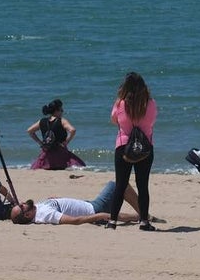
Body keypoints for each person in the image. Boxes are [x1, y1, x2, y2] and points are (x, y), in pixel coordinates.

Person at [105, 72, 157, 231]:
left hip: (123, 146)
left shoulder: (120, 104)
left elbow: (114, 120)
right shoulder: (151, 103)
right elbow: (152, 121)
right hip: (145, 148)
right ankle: (144, 222)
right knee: (143, 186)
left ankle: (112, 221)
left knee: (121, 185)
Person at [9, 181, 143, 225]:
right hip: (93, 209)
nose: (21, 202)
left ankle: (139, 216)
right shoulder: (46, 214)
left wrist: (56, 200)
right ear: (27, 215)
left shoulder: (37, 210)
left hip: (88, 205)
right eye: (21, 206)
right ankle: (143, 214)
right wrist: (100, 215)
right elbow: (75, 220)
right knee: (118, 184)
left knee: (112, 212)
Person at [27, 99, 85, 170]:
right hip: (60, 154)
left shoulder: (42, 121)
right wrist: (67, 142)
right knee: (81, 165)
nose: (62, 111)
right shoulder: (62, 121)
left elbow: (30, 131)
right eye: (61, 109)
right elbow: (73, 130)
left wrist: (40, 143)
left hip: (47, 156)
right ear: (56, 111)